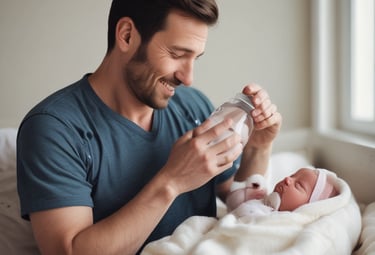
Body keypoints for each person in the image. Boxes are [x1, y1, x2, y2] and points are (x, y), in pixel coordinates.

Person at [16, 1, 282, 255]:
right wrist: (172, 181)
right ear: (127, 35)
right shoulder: (54, 129)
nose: (188, 78)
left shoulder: (193, 106)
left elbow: (239, 203)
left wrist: (259, 148)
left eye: (195, 58)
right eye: (177, 54)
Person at [226, 167, 338, 218]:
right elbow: (233, 205)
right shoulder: (264, 199)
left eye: (298, 185)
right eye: (292, 176)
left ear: (308, 207)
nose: (287, 179)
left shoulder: (285, 221)